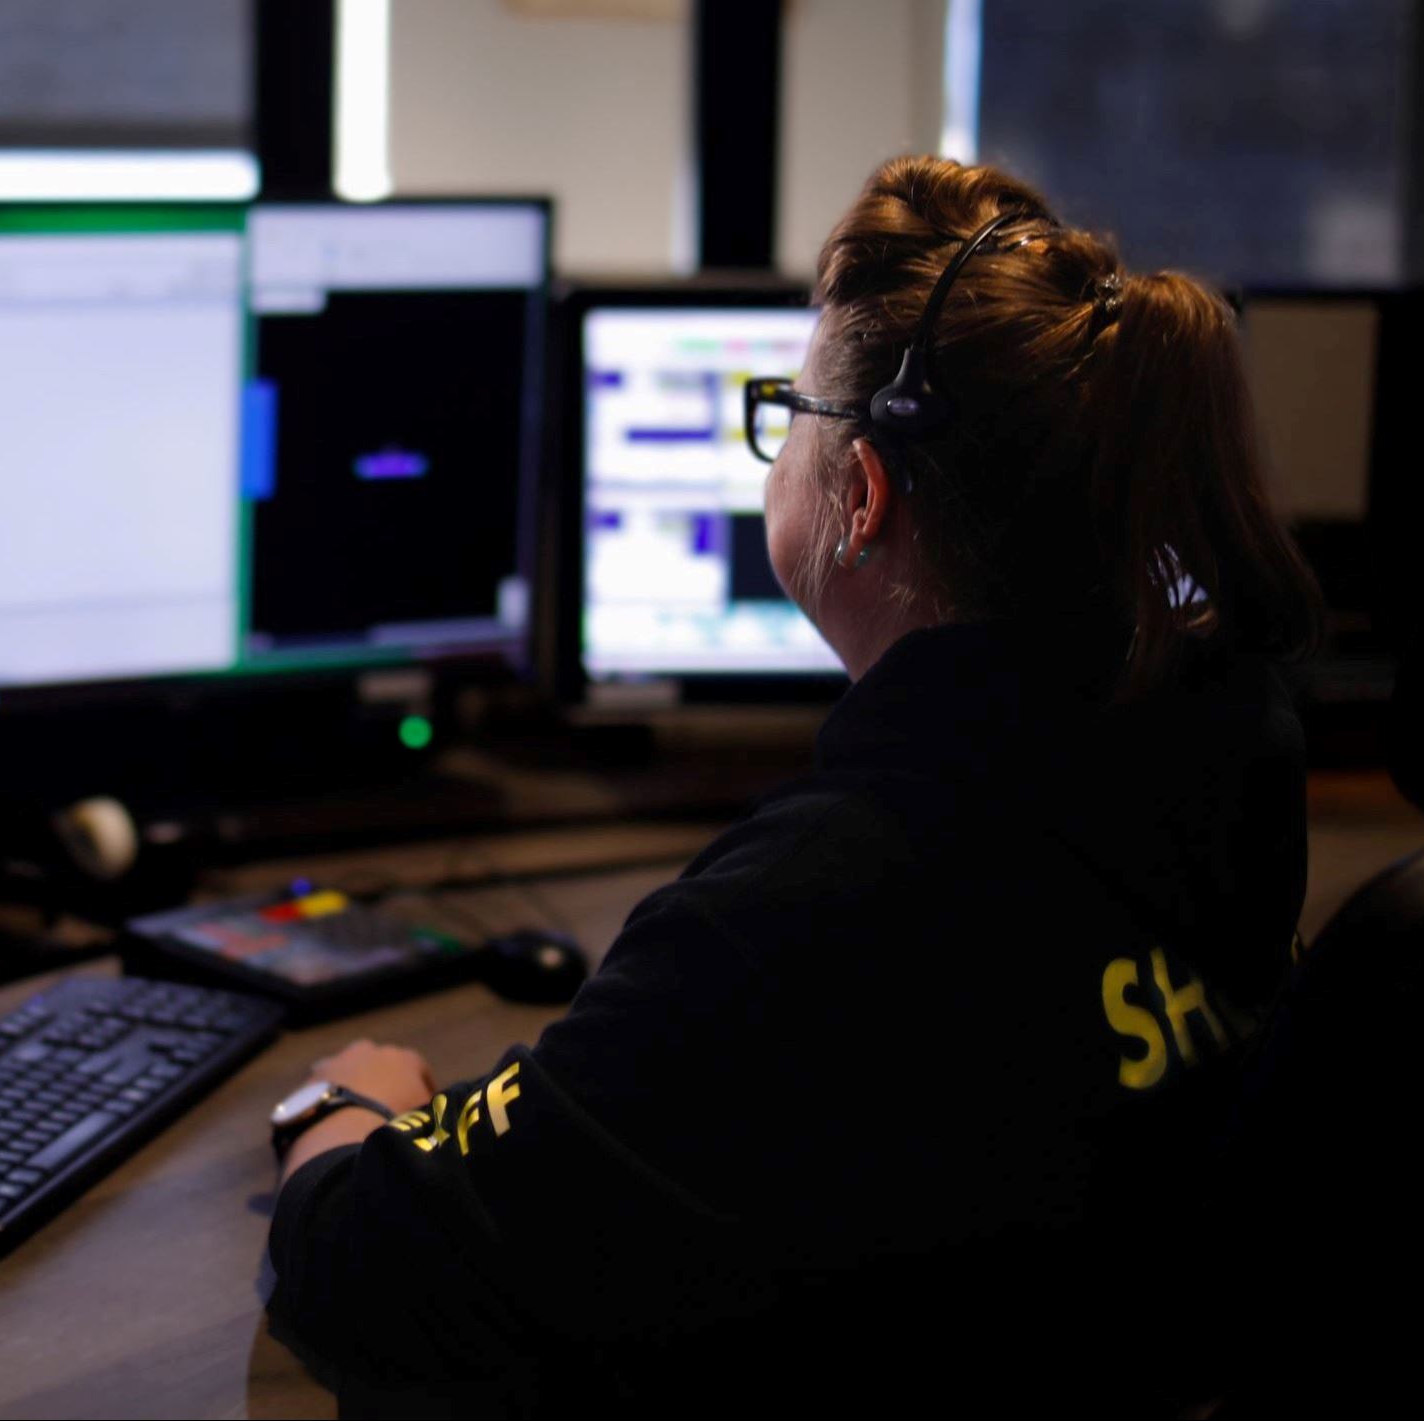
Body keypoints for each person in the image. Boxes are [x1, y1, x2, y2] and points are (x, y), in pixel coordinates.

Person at [260, 156, 1322, 1417]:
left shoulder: (811, 912)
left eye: (790, 410)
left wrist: (340, 1110)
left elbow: (363, 1275)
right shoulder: (1230, 748)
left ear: (859, 495)